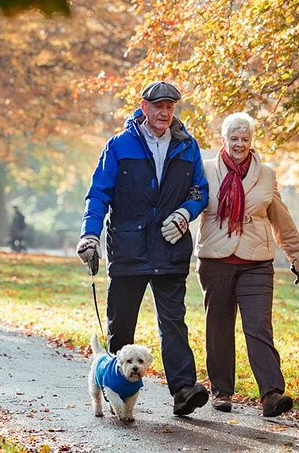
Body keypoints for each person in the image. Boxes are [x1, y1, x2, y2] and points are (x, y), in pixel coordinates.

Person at [76, 80, 211, 416]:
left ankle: (183, 391)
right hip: (128, 248)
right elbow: (98, 194)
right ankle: (115, 386)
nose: (165, 112)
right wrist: (89, 235)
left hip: (170, 248)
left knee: (174, 323)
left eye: (170, 106)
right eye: (158, 106)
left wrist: (184, 214)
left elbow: (200, 191)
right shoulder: (120, 146)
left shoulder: (186, 146)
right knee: (121, 326)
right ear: (144, 106)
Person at [195, 112, 299, 417]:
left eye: (245, 139)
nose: (239, 144)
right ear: (224, 140)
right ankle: (222, 392)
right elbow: (189, 206)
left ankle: (271, 393)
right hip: (215, 260)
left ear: (252, 141)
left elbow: (280, 219)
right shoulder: (204, 171)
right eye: (234, 138)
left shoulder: (266, 174)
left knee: (258, 326)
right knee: (218, 326)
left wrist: (297, 255)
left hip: (256, 261)